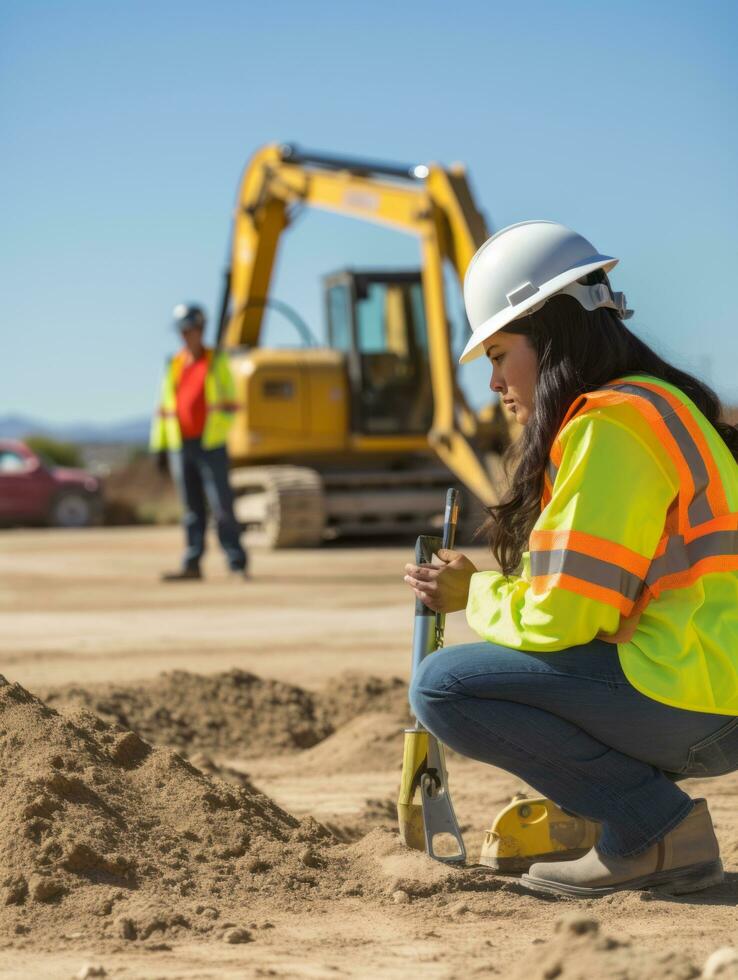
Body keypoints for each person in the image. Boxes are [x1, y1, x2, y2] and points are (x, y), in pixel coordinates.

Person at [404, 220, 738, 897]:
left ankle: (653, 833)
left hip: (698, 695)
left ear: (552, 336)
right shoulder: (663, 405)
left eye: (500, 354)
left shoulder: (609, 427)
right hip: (710, 679)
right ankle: (609, 824)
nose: (494, 381)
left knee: (443, 687)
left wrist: (474, 596)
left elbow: (563, 616)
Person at [150, 303, 248, 581]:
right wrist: (161, 448)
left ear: (200, 329)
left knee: (222, 506)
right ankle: (192, 564)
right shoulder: (175, 364)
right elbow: (165, 408)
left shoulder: (216, 362)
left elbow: (231, 404)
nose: (184, 336)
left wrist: (215, 433)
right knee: (192, 511)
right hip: (181, 446)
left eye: (188, 330)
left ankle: (236, 562)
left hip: (211, 444)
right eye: (180, 331)